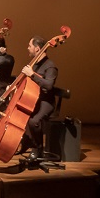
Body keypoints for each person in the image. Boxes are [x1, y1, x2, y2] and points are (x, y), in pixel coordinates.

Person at [18, 35, 58, 163]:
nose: (27, 48)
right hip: (34, 98)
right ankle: (27, 142)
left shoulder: (50, 66)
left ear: (37, 48)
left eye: (29, 46)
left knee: (34, 121)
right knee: (21, 115)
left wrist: (32, 75)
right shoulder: (34, 64)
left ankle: (38, 149)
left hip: (46, 101)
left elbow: (49, 85)